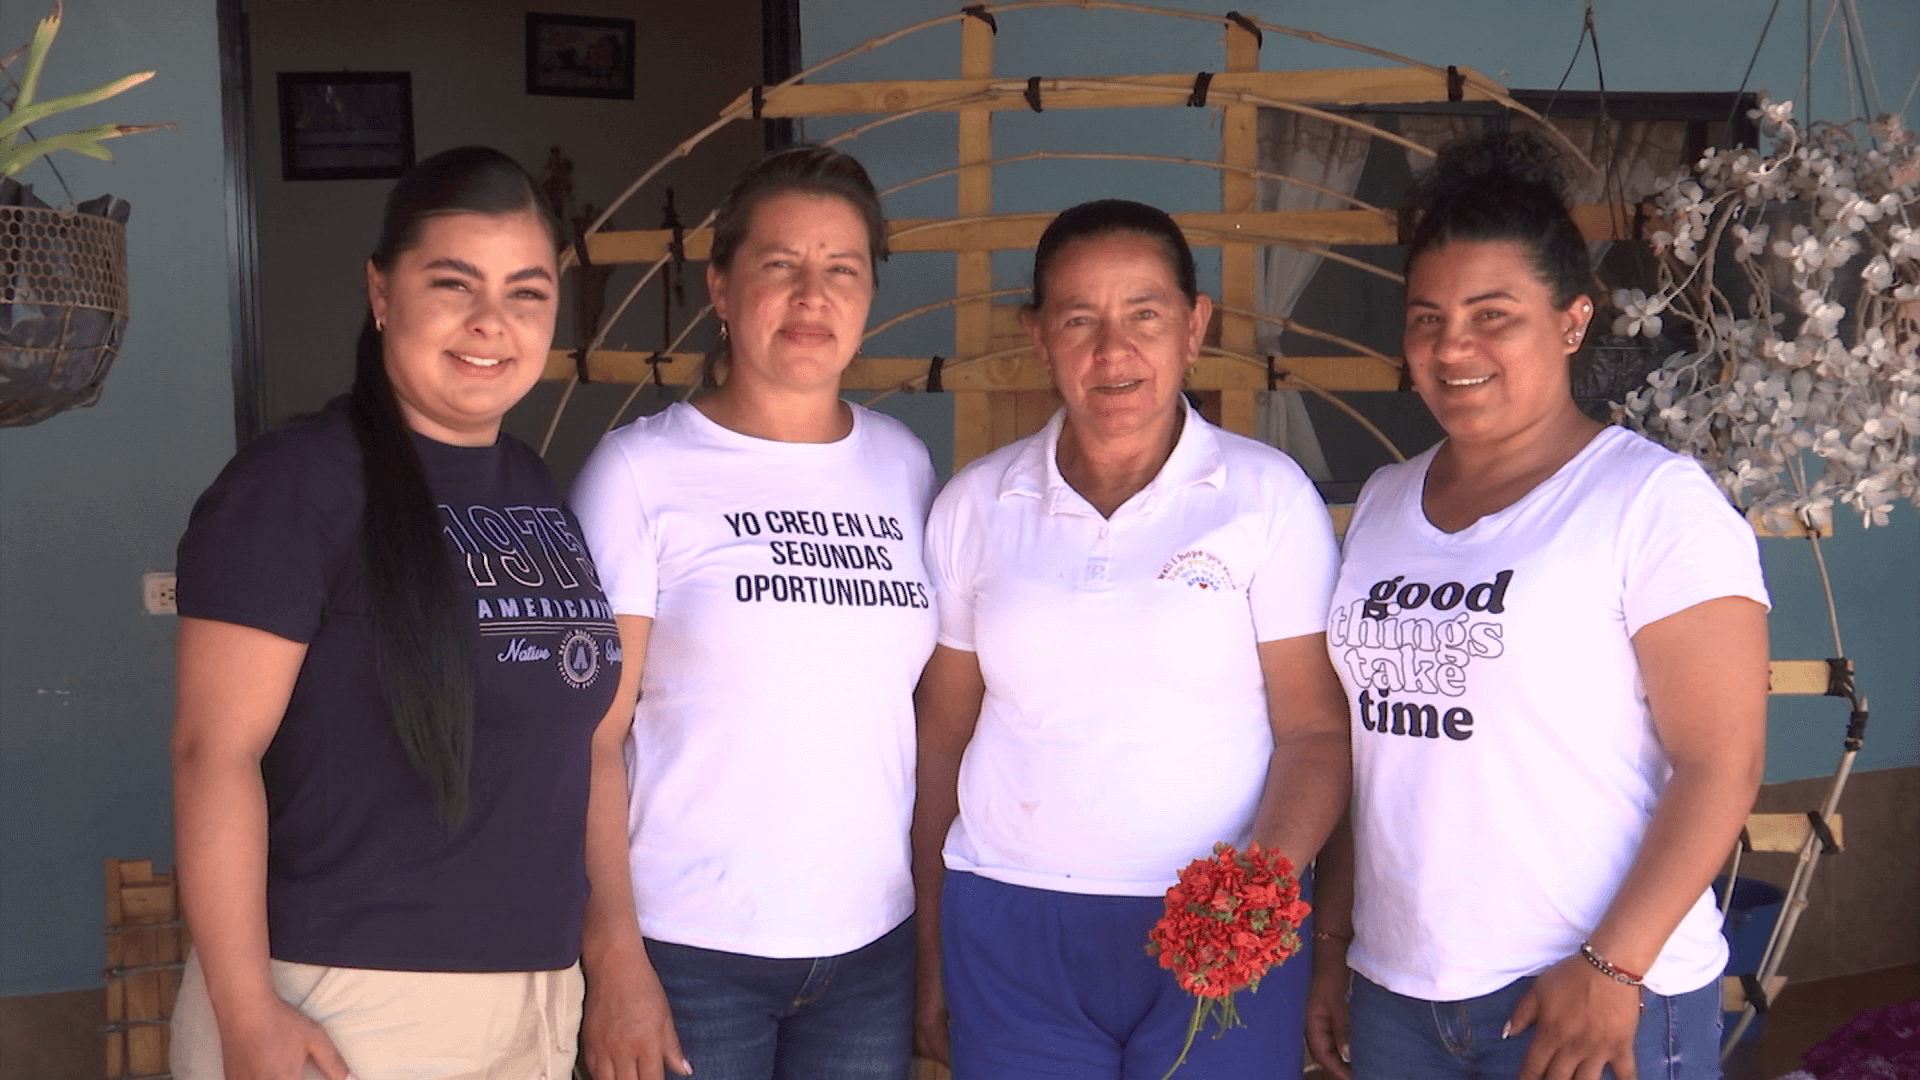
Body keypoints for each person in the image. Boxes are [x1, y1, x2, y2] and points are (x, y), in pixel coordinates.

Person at [1305, 132, 1770, 1080]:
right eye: (1426, 318)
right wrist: (1332, 947)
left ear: (1571, 321)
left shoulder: (1653, 502)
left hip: (1588, 991)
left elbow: (1722, 764)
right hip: (1401, 995)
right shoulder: (1387, 503)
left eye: (1492, 314)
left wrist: (1612, 966)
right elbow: (1375, 753)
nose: (1452, 346)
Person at [170, 146, 635, 1080]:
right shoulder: (295, 484)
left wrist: (607, 954)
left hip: (532, 995)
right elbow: (212, 754)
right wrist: (246, 1010)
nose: (490, 324)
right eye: (452, 284)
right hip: (342, 998)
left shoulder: (533, 488)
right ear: (382, 294)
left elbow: (579, 747)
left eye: (527, 293)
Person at [913, 198, 1352, 1080]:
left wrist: (1251, 900)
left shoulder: (1265, 497)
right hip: (1010, 919)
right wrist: (929, 947)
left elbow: (1316, 732)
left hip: (1219, 927)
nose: (1113, 352)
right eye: (1079, 320)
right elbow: (942, 739)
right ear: (1037, 336)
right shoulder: (976, 503)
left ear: (1195, 327)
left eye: (1144, 315)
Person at [569, 145, 936, 1080]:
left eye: (841, 270)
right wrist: (613, 960)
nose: (813, 294)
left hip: (871, 946)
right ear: (722, 288)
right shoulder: (638, 474)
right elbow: (586, 738)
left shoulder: (903, 466)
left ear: (868, 298)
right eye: (781, 266)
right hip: (686, 951)